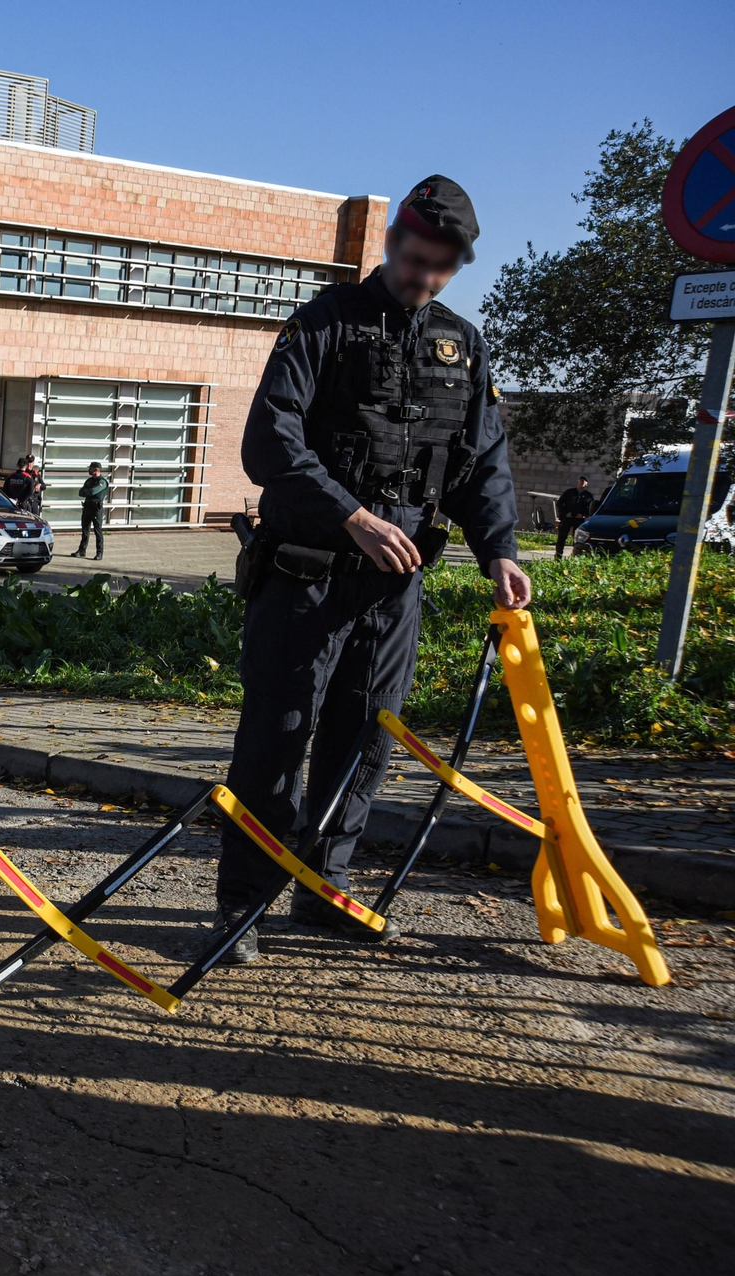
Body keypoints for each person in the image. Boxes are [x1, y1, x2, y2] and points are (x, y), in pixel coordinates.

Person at [212, 175, 531, 963]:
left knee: (365, 743)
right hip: (305, 577)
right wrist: (351, 515)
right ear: (392, 245)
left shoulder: (461, 344)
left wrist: (499, 549)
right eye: (416, 259)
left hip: (393, 592)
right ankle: (243, 906)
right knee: (276, 741)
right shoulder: (324, 323)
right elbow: (268, 443)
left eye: (442, 267)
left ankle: (323, 891)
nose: (425, 277)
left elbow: (482, 463)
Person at [73, 462, 108, 558]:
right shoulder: (89, 481)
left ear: (96, 469)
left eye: (91, 468)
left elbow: (93, 491)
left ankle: (99, 552)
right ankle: (82, 551)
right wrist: (88, 491)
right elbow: (80, 492)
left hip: (96, 508)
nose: (89, 470)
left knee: (97, 530)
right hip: (87, 507)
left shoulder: (102, 482)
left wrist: (88, 491)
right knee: (85, 530)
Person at [555, 475, 595, 558]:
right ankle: (558, 556)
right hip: (567, 518)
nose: (582, 483)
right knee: (562, 537)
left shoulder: (588, 496)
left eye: (584, 482)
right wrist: (565, 513)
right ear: (578, 482)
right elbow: (560, 503)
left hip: (579, 520)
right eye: (581, 481)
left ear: (587, 484)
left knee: (578, 539)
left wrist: (583, 515)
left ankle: (575, 557)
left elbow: (591, 507)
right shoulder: (569, 492)